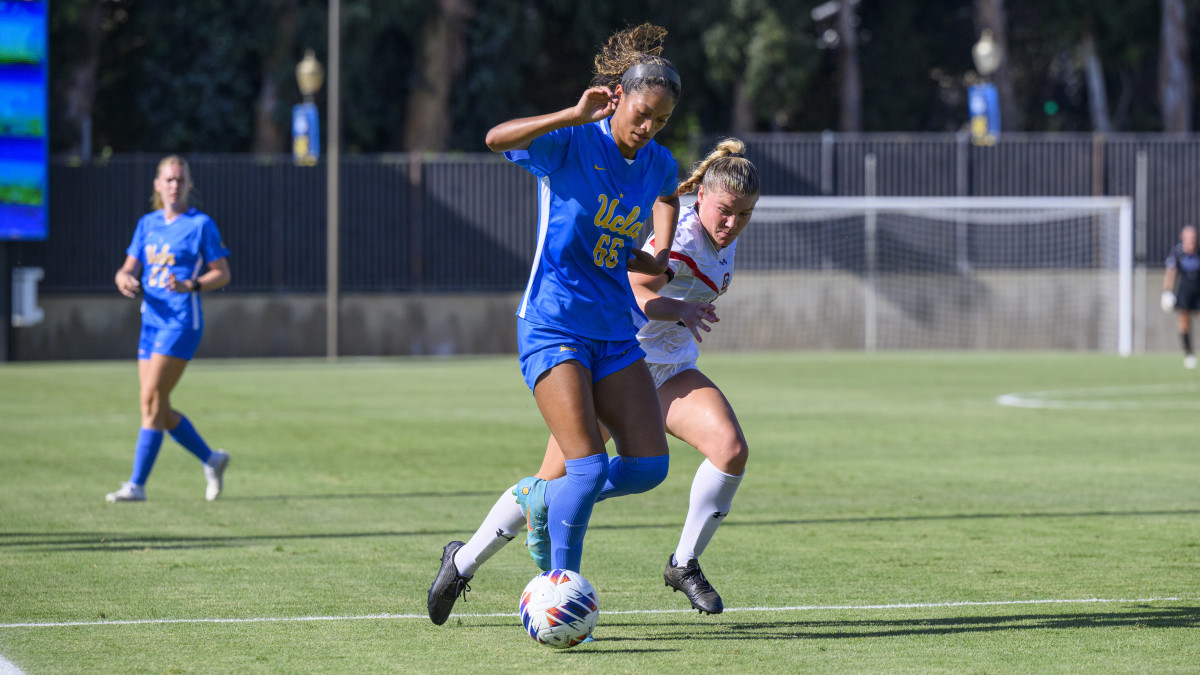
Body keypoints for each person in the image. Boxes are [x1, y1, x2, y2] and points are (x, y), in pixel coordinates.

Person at [428, 139, 759, 624]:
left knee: (730, 450)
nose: (733, 224)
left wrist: (682, 319)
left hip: (671, 370)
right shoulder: (683, 241)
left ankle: (683, 563)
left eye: (745, 215)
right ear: (702, 197)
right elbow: (637, 290)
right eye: (726, 211)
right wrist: (679, 309)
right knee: (552, 482)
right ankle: (461, 563)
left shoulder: (722, 236)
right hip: (619, 364)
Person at [427, 22, 682, 614]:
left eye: (661, 121)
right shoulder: (572, 142)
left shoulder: (656, 162)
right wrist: (571, 113)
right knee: (588, 468)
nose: (648, 129)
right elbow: (494, 138)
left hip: (616, 333)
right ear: (617, 96)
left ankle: (533, 502)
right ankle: (558, 595)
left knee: (647, 467)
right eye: (643, 113)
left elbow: (668, 192)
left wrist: (660, 252)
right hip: (554, 325)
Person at [105, 155, 232, 503]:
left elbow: (222, 272)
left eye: (180, 180)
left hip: (180, 323)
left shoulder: (200, 224)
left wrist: (190, 285)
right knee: (156, 408)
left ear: (188, 185)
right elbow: (127, 267)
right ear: (157, 185)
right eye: (168, 179)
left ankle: (137, 485)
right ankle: (212, 459)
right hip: (151, 322)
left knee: (150, 400)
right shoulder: (147, 224)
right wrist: (123, 278)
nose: (174, 185)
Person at [1162, 224, 1200, 369]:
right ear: (1183, 238)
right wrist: (1167, 291)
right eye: (1189, 238)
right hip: (1184, 291)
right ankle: (1189, 354)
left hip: (1199, 291)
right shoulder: (1177, 252)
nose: (1192, 240)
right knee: (1184, 323)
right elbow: (1170, 273)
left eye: (1194, 237)